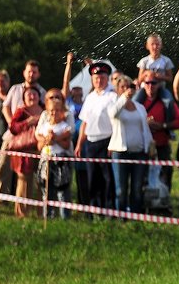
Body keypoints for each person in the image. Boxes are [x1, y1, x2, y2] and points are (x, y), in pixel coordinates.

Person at [107, 73, 153, 215]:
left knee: (137, 188)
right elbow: (114, 114)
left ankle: (135, 218)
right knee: (121, 190)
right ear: (117, 89)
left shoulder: (140, 107)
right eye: (123, 87)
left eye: (130, 86)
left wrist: (151, 145)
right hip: (120, 153)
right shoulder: (114, 105)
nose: (127, 89)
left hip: (139, 153)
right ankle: (121, 218)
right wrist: (125, 97)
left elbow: (144, 128)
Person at [75, 60, 117, 212]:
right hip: (91, 142)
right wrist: (80, 144)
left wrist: (113, 144)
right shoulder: (90, 97)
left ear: (107, 78)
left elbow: (115, 123)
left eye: (102, 77)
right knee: (92, 178)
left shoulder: (113, 96)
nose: (99, 80)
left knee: (108, 178)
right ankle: (94, 209)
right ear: (92, 79)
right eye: (96, 78)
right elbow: (84, 123)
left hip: (107, 141)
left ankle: (109, 209)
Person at [138, 69, 179, 202]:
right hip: (143, 147)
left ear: (158, 84)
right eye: (147, 83)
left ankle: (164, 203)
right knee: (142, 176)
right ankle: (145, 205)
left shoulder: (166, 102)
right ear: (143, 84)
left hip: (162, 145)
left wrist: (162, 125)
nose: (150, 86)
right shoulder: (137, 102)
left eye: (154, 83)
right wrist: (145, 124)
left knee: (165, 174)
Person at [36, 88, 75, 219]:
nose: (54, 113)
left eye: (57, 110)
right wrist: (47, 140)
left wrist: (55, 138)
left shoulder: (65, 125)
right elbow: (39, 143)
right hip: (46, 159)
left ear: (62, 112)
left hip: (61, 160)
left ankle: (65, 216)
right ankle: (49, 216)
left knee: (63, 189)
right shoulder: (44, 125)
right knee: (47, 190)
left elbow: (67, 143)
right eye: (51, 111)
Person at [8, 86, 43, 217]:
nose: (32, 96)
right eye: (29, 94)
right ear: (23, 98)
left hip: (41, 150)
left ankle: (42, 212)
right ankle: (22, 214)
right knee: (24, 182)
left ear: (39, 97)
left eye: (34, 94)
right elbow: (13, 128)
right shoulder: (21, 111)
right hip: (24, 152)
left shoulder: (45, 111)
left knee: (42, 182)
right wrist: (28, 122)